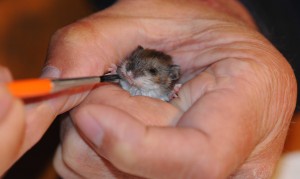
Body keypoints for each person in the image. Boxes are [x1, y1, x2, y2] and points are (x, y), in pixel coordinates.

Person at [0, 0, 297, 178]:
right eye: (132, 64)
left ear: (169, 79)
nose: (133, 72)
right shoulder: (127, 70)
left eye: (151, 72)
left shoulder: (171, 90)